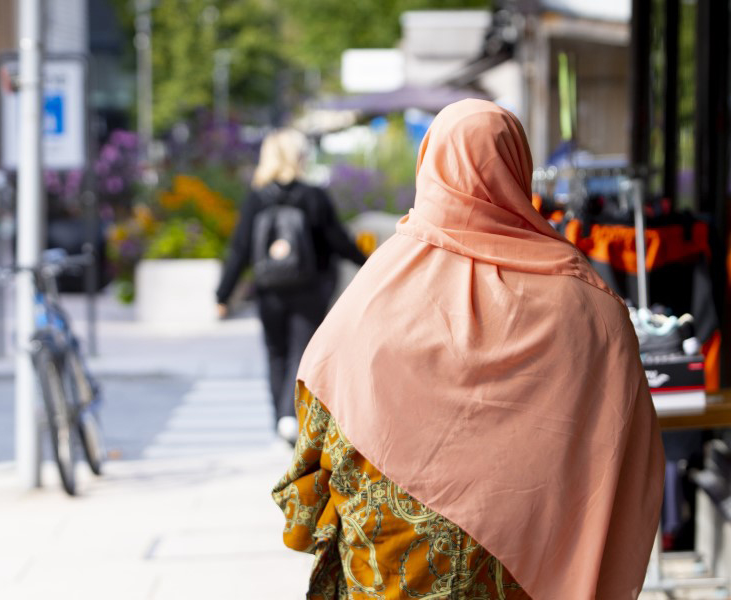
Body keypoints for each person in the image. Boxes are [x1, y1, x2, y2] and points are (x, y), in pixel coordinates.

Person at [273, 100, 664, 598]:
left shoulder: (378, 287)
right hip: (532, 568)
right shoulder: (589, 301)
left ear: (428, 164)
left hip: (394, 560)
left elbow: (320, 411)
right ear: (518, 167)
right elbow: (625, 450)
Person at [216, 129, 366, 443]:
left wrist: (223, 294)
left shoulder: (257, 198)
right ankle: (290, 417)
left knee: (276, 353)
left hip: (269, 290)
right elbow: (338, 240)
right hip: (310, 289)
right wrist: (371, 265)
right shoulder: (314, 196)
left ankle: (280, 419)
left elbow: (240, 248)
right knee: (302, 352)